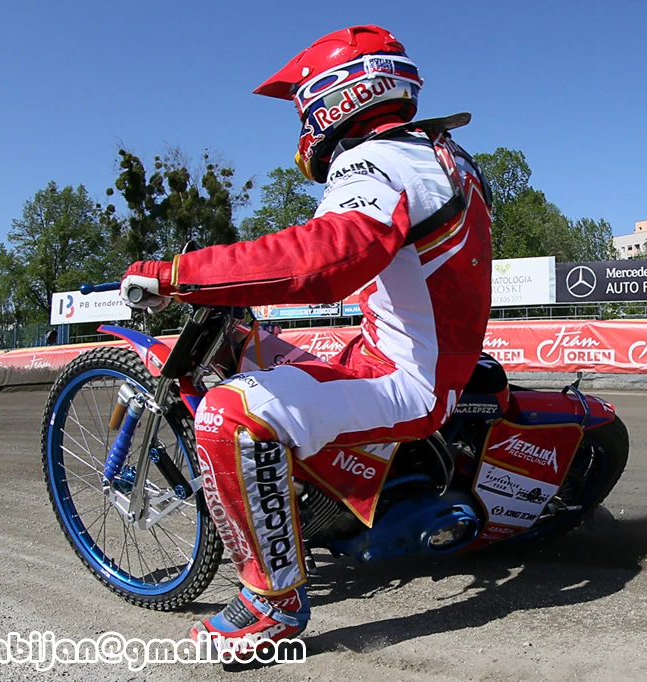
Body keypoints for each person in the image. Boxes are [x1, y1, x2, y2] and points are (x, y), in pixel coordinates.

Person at [120, 25, 493, 651]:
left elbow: (325, 261)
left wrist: (181, 275)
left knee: (226, 414)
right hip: (411, 356)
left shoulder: (376, 158)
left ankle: (272, 606)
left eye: (302, 102)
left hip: (406, 381)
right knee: (246, 346)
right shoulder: (436, 151)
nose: (302, 119)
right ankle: (300, 501)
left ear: (336, 94)